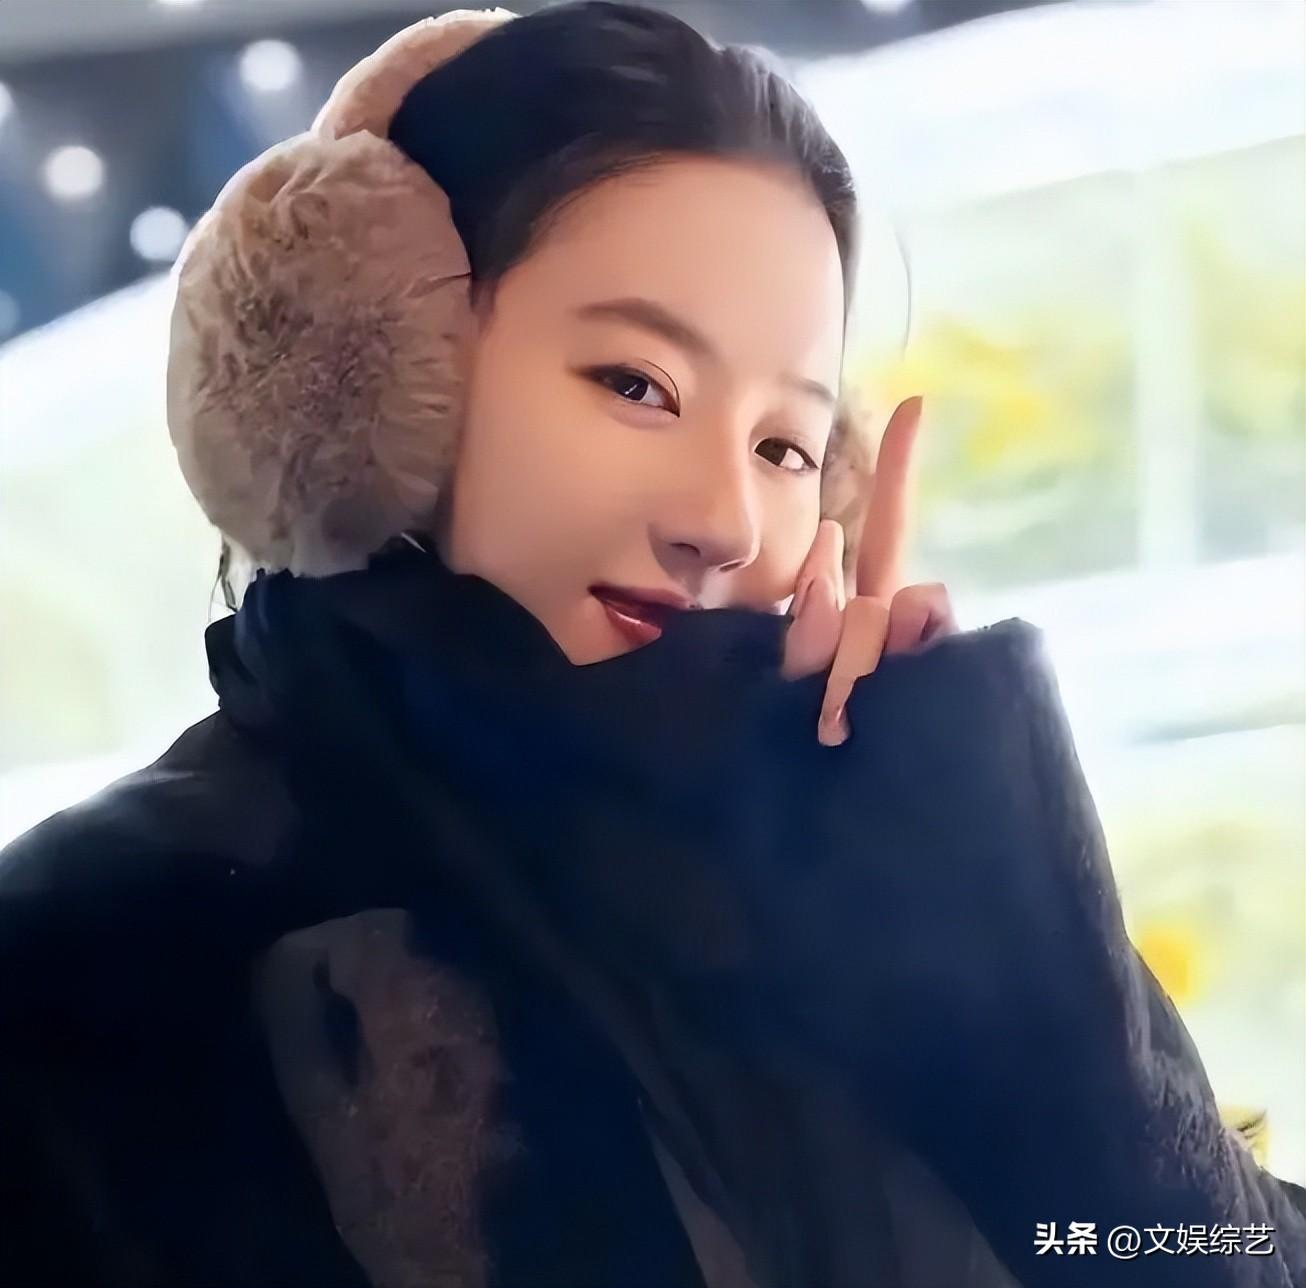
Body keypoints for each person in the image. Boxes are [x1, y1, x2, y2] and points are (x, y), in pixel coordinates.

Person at [1, 5, 1302, 1287]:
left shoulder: (876, 853)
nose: (723, 523)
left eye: (783, 447)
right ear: (380, 382)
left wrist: (1029, 977)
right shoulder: (97, 955)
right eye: (637, 386)